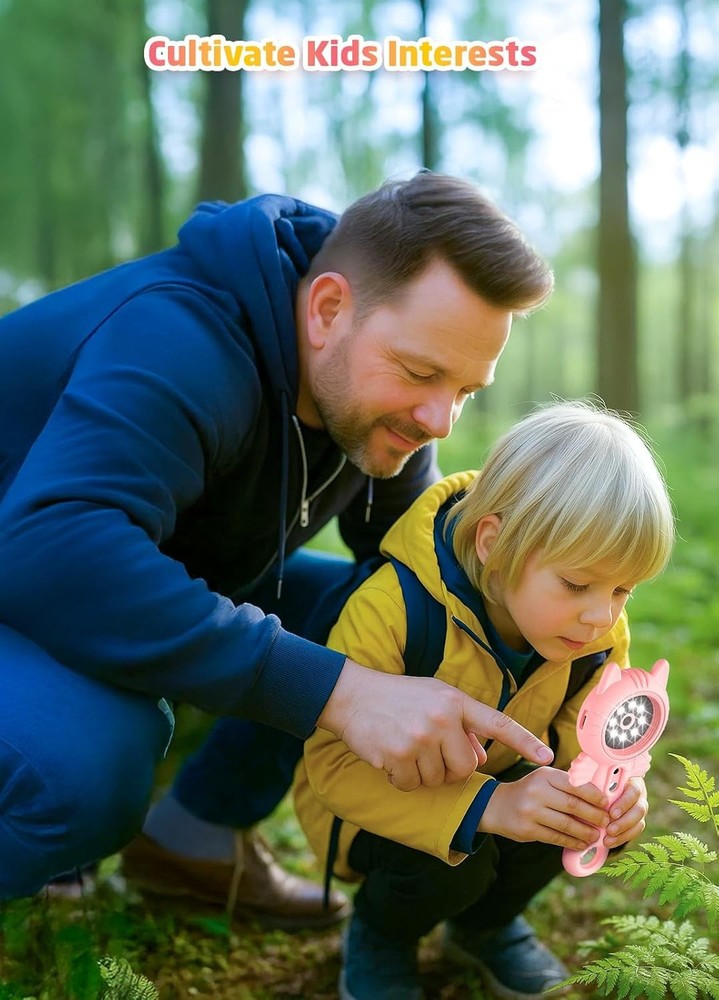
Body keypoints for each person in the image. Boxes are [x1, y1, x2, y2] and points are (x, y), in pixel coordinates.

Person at [0, 172, 555, 913]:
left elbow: (432, 577)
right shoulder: (180, 337)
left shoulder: (376, 403)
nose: (438, 420)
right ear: (328, 308)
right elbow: (55, 547)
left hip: (58, 577)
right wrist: (340, 693)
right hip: (28, 566)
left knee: (380, 608)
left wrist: (567, 671)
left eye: (463, 391)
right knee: (78, 767)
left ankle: (191, 842)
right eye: (422, 372)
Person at [293, 400, 675, 999]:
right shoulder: (394, 611)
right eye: (576, 584)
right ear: (494, 543)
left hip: (503, 785)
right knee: (448, 862)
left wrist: (615, 788)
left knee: (570, 810)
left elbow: (594, 738)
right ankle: (381, 935)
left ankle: (484, 927)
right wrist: (486, 807)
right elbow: (334, 768)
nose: (602, 614)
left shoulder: (595, 634)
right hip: (381, 806)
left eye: (623, 588)